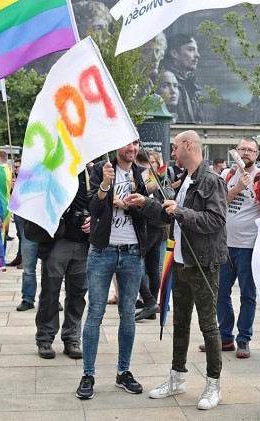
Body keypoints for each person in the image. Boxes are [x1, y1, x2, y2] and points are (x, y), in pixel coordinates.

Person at [127, 130, 228, 410]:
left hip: (204, 263)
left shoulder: (211, 180)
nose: (172, 152)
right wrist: (146, 203)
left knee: (209, 325)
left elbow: (216, 221)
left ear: (188, 145)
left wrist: (180, 212)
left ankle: (213, 384)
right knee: (180, 323)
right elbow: (167, 214)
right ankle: (177, 377)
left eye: (174, 147)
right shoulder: (186, 180)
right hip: (181, 261)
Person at [76, 140, 149, 400]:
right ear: (116, 146)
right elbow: (94, 209)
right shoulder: (100, 170)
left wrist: (130, 205)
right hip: (102, 251)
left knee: (128, 314)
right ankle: (88, 374)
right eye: (127, 143)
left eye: (135, 143)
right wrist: (105, 186)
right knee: (95, 312)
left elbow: (152, 213)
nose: (132, 147)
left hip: (132, 252)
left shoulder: (143, 173)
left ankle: (124, 372)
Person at [211, 137, 260, 359]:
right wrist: (237, 188)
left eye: (250, 150)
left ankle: (243, 339)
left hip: (249, 246)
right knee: (220, 291)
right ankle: (225, 336)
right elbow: (217, 203)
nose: (245, 153)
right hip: (225, 244)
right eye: (242, 149)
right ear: (236, 151)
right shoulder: (226, 175)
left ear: (257, 155)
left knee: (248, 294)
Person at [34, 171, 89, 360]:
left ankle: (72, 338)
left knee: (78, 294)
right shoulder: (53, 170)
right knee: (50, 293)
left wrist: (94, 220)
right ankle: (45, 339)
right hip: (57, 241)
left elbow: (99, 203)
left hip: (83, 242)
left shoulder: (92, 172)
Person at [134, 148, 166, 322]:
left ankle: (149, 302)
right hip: (155, 229)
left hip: (147, 228)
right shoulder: (152, 176)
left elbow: (153, 202)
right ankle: (151, 306)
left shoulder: (146, 176)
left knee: (133, 265)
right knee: (152, 269)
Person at [158, 33, 202, 124]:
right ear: (174, 53)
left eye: (196, 50)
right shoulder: (164, 79)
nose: (197, 55)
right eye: (191, 50)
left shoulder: (191, 83)